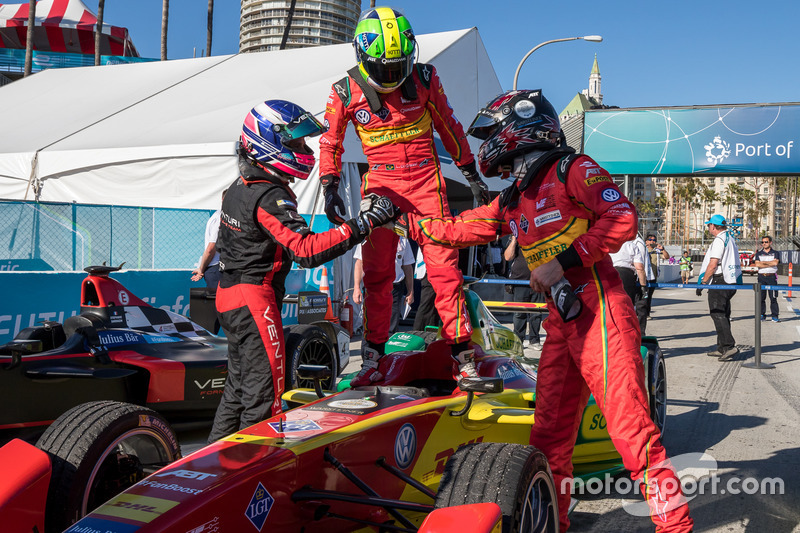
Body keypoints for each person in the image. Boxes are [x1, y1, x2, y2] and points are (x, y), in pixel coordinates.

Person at [404, 90, 693, 532]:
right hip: (564, 321)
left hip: (602, 310)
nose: (490, 145)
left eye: (494, 132)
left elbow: (622, 218)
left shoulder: (573, 169)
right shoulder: (515, 196)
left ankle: (676, 527)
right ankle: (555, 523)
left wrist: (567, 260)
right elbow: (461, 228)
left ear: (520, 128)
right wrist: (404, 220)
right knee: (549, 437)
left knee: (634, 436)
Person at [318, 6, 491, 385]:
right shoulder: (343, 91)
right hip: (381, 189)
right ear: (362, 57)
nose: (393, 77)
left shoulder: (426, 77)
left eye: (399, 67)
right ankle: (372, 358)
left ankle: (462, 356)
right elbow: (329, 141)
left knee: (445, 273)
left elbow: (450, 125)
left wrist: (469, 170)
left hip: (427, 184)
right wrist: (329, 184)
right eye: (385, 69)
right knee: (379, 277)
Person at [208, 100, 397, 443]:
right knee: (265, 398)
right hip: (253, 299)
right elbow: (306, 251)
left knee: (236, 392)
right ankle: (252, 481)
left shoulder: (239, 186)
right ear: (267, 142)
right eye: (295, 144)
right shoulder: (269, 195)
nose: (304, 149)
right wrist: (365, 223)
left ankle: (208, 469)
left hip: (228, 296)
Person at [696, 214, 742, 362]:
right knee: (723, 314)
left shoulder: (719, 240)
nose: (709, 227)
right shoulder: (729, 238)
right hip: (730, 280)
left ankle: (729, 346)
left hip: (720, 280)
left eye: (709, 225)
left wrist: (703, 282)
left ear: (714, 226)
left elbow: (713, 264)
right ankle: (722, 347)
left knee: (717, 313)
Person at [353, 236, 414, 335]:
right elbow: (360, 262)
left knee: (391, 326)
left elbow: (407, 266)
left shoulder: (402, 239)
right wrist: (356, 288)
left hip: (395, 287)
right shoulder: (369, 236)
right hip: (374, 286)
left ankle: (388, 349)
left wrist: (410, 291)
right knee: (371, 325)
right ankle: (369, 350)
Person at [504, 235, 544, 350]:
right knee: (519, 313)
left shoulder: (541, 238)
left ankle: (534, 340)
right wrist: (514, 240)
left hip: (538, 280)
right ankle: (518, 341)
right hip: (520, 281)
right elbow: (508, 257)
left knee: (536, 313)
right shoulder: (517, 239)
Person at [610, 235, 650, 334]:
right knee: (627, 307)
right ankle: (633, 334)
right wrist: (643, 286)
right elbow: (640, 268)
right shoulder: (631, 245)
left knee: (610, 306)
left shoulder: (608, 244)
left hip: (609, 274)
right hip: (626, 275)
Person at [191, 189, 226, 295]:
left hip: (217, 268)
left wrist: (201, 269)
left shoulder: (222, 216)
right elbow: (211, 248)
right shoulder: (220, 218)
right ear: (223, 200)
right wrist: (201, 269)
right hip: (216, 269)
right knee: (217, 307)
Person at [412, 247, 441, 330]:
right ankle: (416, 332)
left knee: (434, 306)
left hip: (434, 268)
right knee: (426, 304)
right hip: (430, 269)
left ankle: (431, 332)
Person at [754, 235, 780, 322]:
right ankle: (762, 314)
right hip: (761, 277)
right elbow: (757, 264)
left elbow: (775, 263)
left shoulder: (775, 253)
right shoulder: (759, 253)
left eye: (766, 242)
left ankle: (775, 315)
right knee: (761, 298)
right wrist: (770, 263)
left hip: (771, 277)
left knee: (773, 298)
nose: (764, 244)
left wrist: (763, 263)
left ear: (770, 242)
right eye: (762, 242)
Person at [643, 234, 670, 317]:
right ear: (646, 241)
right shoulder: (642, 250)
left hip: (653, 277)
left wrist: (662, 249)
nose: (652, 241)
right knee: (642, 296)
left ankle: (647, 314)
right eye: (650, 239)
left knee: (649, 296)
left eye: (654, 240)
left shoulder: (657, 251)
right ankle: (640, 314)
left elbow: (666, 257)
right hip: (642, 277)